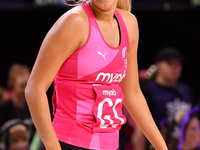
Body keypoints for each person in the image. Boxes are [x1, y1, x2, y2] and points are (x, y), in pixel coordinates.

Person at [25, 0, 168, 150]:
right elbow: (34, 89)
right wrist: (52, 146)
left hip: (110, 144)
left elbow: (132, 93)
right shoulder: (75, 22)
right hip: (69, 142)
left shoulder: (129, 23)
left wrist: (161, 146)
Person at [133, 47, 194, 150]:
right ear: (158, 65)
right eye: (170, 64)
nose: (175, 68)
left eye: (178, 64)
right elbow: (139, 128)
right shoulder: (148, 89)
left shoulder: (186, 90)